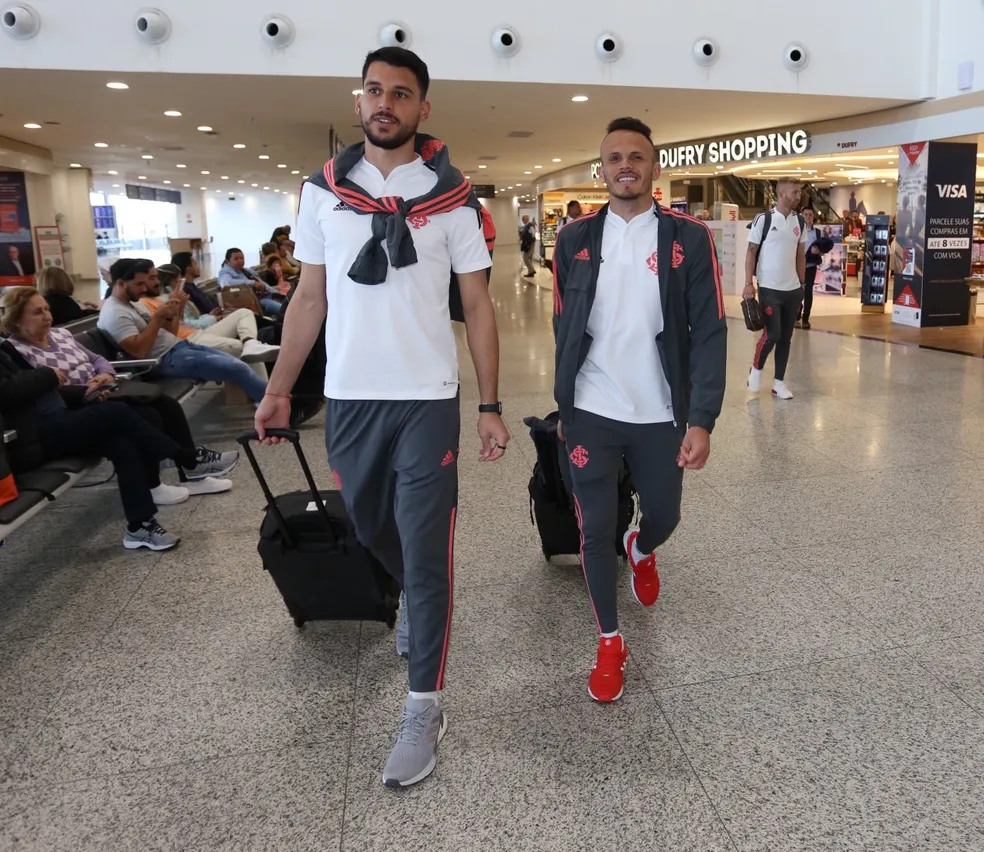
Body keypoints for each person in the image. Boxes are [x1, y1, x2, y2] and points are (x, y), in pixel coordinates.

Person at [254, 45, 509, 789]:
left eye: (401, 92)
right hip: (352, 399)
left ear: (423, 109)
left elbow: (478, 307)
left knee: (428, 558)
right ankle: (413, 603)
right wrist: (278, 389)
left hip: (428, 400)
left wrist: (489, 404)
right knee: (370, 528)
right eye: (375, 90)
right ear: (358, 102)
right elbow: (310, 298)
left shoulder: (454, 198)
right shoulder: (323, 193)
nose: (386, 102)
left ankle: (424, 703)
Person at [552, 116, 727, 704]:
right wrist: (563, 404)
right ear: (600, 169)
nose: (624, 164)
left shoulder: (688, 238)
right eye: (613, 157)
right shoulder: (573, 240)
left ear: (654, 167)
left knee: (665, 514)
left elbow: (708, 330)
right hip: (591, 409)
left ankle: (644, 548)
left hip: (659, 410)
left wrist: (701, 417)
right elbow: (563, 325)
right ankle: (609, 641)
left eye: (636, 156)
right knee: (593, 531)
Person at [3, 285, 239, 500]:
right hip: (82, 402)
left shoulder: (61, 335)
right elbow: (47, 390)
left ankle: (192, 473)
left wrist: (106, 373)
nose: (47, 316)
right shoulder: (18, 350)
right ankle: (163, 479)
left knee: (166, 404)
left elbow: (96, 359)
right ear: (16, 320)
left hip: (105, 388)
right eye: (37, 312)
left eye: (46, 309)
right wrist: (88, 389)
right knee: (148, 415)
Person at [0, 341, 191, 552]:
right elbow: (7, 392)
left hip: (53, 422)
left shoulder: (5, 348)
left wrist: (82, 393)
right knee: (115, 412)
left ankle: (139, 526)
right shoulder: (13, 348)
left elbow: (40, 395)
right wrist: (47, 375)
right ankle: (184, 458)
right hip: (30, 439)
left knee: (123, 445)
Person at [98, 259, 269, 403]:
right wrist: (157, 318)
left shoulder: (132, 303)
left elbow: (169, 333)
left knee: (238, 362)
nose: (144, 289)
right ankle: (274, 405)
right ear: (120, 283)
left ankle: (270, 400)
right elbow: (140, 351)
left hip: (180, 347)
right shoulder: (115, 313)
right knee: (236, 367)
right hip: (165, 360)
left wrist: (173, 311)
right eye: (139, 284)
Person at [744, 177, 807, 400]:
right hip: (769, 288)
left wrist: (802, 284)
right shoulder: (764, 219)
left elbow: (801, 253)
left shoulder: (800, 221)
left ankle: (778, 383)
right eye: (795, 192)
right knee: (772, 334)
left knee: (786, 338)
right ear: (781, 194)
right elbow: (751, 251)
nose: (798, 196)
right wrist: (748, 284)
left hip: (792, 290)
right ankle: (756, 370)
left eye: (799, 192)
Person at [147, 263, 279, 364]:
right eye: (177, 282)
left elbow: (186, 321)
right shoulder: (166, 299)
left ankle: (252, 342)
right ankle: (264, 392)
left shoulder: (165, 298)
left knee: (244, 313)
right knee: (241, 346)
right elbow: (178, 327)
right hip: (189, 338)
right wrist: (211, 317)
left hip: (198, 330)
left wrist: (209, 316)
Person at [796, 209, 834, 330]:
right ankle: (797, 310)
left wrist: (819, 252)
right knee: (796, 291)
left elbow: (824, 248)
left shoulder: (818, 233)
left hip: (810, 266)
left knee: (808, 292)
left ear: (813, 217)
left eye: (810, 215)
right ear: (801, 216)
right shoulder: (796, 230)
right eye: (805, 214)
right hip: (796, 266)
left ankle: (805, 318)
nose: (808, 217)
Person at [217, 249, 283, 316]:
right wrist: (253, 283)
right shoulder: (225, 273)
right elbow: (227, 283)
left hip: (268, 295)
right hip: (255, 302)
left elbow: (262, 283)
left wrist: (276, 293)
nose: (240, 261)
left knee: (288, 302)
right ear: (228, 261)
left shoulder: (247, 271)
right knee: (284, 309)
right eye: (236, 259)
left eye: (242, 258)